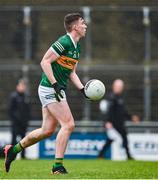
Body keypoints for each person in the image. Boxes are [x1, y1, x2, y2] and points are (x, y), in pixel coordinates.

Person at [4, 13, 88, 174]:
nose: (85, 26)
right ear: (75, 26)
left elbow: (71, 72)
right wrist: (55, 84)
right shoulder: (64, 42)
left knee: (47, 130)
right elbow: (45, 61)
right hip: (50, 88)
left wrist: (82, 89)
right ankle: (57, 166)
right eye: (83, 23)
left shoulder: (77, 47)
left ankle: (13, 150)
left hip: (54, 89)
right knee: (68, 124)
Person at [98, 79, 139, 160]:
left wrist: (131, 117)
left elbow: (123, 112)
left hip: (120, 123)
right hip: (112, 124)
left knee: (121, 138)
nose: (119, 88)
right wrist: (107, 122)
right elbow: (105, 111)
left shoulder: (120, 98)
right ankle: (101, 155)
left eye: (120, 86)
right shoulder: (110, 98)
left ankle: (127, 155)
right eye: (117, 86)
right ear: (114, 86)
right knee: (113, 139)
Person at [8, 79, 30, 159]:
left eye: (24, 86)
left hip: (23, 123)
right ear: (17, 86)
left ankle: (23, 156)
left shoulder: (25, 96)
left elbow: (27, 110)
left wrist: (26, 120)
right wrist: (15, 120)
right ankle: (11, 156)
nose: (23, 87)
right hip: (16, 123)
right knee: (14, 140)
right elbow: (10, 110)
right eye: (21, 86)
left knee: (24, 140)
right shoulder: (13, 96)